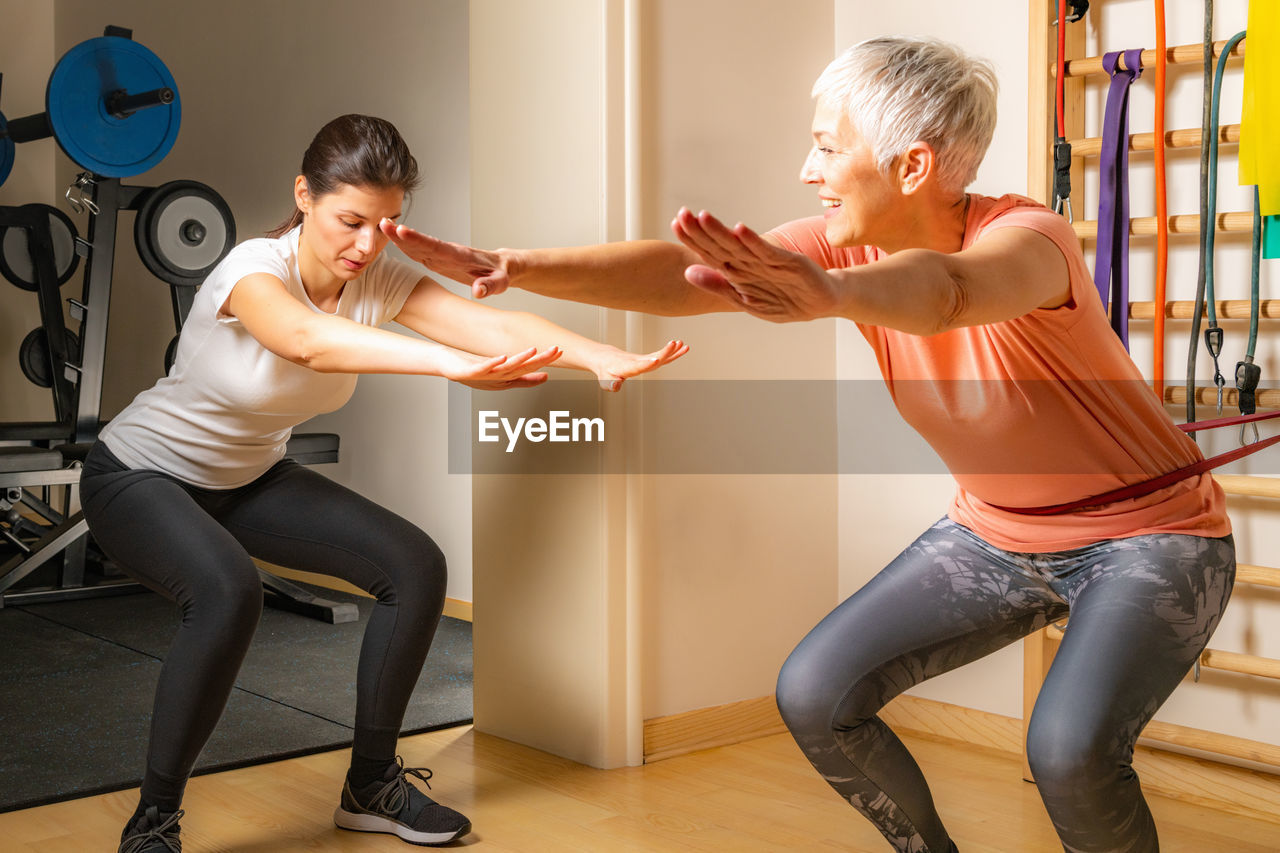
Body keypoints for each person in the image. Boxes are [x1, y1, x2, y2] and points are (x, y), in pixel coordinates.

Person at [380, 37, 1235, 853]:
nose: (807, 170)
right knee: (817, 691)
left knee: (1068, 750)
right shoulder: (839, 244)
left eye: (827, 147)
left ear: (912, 165)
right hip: (997, 534)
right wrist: (522, 265)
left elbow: (948, 293)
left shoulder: (1028, 239)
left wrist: (829, 290)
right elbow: (679, 274)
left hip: (1150, 536)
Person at [81, 113, 687, 853]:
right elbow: (306, 340)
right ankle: (153, 822)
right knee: (226, 591)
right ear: (303, 196)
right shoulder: (251, 269)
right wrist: (443, 366)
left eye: (389, 224)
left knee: (414, 563)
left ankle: (371, 784)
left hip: (246, 478)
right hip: (138, 475)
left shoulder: (379, 278)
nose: (367, 244)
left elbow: (487, 329)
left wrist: (597, 355)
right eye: (351, 220)